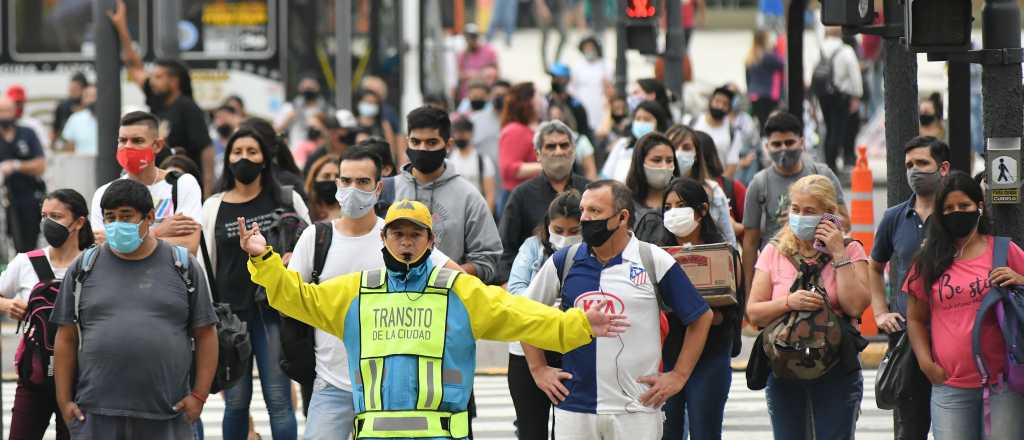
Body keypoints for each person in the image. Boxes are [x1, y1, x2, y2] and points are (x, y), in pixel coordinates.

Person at [241, 197, 629, 439]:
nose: (406, 241)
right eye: (397, 234)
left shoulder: (456, 290)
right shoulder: (357, 291)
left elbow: (517, 312)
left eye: (415, 234)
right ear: (384, 238)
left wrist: (576, 325)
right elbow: (297, 299)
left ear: (431, 241)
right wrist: (263, 259)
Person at [288, 148, 460, 439]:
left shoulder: (395, 236)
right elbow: (289, 298)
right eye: (345, 181)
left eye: (363, 182)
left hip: (390, 391)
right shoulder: (315, 238)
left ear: (379, 187)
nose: (353, 189)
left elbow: (457, 280)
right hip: (333, 384)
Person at [523, 179, 713, 439]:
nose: (585, 219)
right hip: (574, 408)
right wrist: (538, 369)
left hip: (638, 409)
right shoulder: (564, 261)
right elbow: (525, 314)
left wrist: (678, 375)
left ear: (622, 217)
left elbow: (701, 317)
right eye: (583, 210)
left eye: (595, 212)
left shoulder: (653, 259)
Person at [53, 179, 218, 439]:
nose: (117, 224)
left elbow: (206, 334)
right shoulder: (84, 267)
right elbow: (65, 337)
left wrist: (198, 396)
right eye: (110, 217)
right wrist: (64, 402)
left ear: (149, 217)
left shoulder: (183, 266)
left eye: (126, 216)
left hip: (168, 414)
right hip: (96, 415)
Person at [201, 128, 310, 440]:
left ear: (265, 159)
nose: (244, 158)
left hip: (273, 312)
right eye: (237, 152)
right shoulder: (214, 206)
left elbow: (310, 244)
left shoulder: (288, 199)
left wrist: (293, 259)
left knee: (278, 399)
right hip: (229, 316)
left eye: (252, 151)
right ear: (228, 158)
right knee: (235, 402)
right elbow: (205, 261)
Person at [746, 174, 870, 440]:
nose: (800, 216)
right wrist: (788, 302)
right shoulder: (775, 250)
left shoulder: (850, 250)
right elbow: (754, 312)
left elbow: (856, 306)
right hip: (784, 366)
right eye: (795, 209)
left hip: (836, 366)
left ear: (828, 214)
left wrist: (838, 254)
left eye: (810, 211)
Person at [904, 171, 1024, 440]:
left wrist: (1019, 279)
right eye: (948, 208)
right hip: (950, 385)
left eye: (964, 206)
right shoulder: (927, 260)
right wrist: (926, 363)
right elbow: (915, 318)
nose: (956, 212)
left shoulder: (1003, 250)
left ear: (979, 207)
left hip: (1004, 383)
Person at [869, 136, 950, 440]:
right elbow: (875, 266)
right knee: (910, 429)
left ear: (942, 168)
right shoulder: (894, 217)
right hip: (907, 340)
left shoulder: (956, 215)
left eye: (922, 164)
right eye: (909, 165)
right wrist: (880, 312)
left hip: (952, 337)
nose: (914, 171)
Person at [654, 177, 743, 440]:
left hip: (711, 354)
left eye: (680, 205)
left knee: (705, 429)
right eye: (667, 207)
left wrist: (709, 314)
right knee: (667, 431)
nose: (673, 213)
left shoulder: (724, 253)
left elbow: (730, 308)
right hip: (668, 353)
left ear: (702, 210)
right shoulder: (657, 255)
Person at [1, 189, 93, 440]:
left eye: (56, 216)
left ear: (79, 222)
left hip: (81, 381)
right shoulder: (26, 262)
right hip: (34, 377)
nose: (47, 223)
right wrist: (8, 304)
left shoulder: (94, 264)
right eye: (44, 216)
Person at [388, 106, 503, 284]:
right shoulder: (389, 190)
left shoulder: (469, 197)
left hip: (448, 303)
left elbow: (487, 260)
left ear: (448, 145)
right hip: (392, 303)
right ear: (407, 142)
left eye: (432, 142)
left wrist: (443, 277)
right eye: (416, 142)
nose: (422, 149)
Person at [109, 1, 216, 192]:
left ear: (174, 81)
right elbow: (134, 66)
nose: (153, 80)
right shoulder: (157, 99)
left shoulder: (188, 107)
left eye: (159, 77)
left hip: (185, 185)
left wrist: (207, 190)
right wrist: (121, 26)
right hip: (160, 183)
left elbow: (206, 149)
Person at [506, 191, 582, 440]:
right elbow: (518, 296)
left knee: (570, 430)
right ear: (547, 225)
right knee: (531, 430)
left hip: (572, 350)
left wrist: (547, 306)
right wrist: (556, 308)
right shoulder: (532, 248)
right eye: (558, 230)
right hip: (527, 351)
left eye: (574, 231)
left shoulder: (591, 253)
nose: (565, 238)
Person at [742, 112, 846, 291]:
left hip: (822, 267)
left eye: (789, 142)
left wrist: (816, 220)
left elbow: (845, 220)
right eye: (776, 144)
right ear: (767, 146)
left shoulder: (822, 175)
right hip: (777, 271)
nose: (783, 149)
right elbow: (750, 243)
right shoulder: (759, 184)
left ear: (802, 142)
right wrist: (748, 291)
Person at [90, 111, 202, 255]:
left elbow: (189, 247)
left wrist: (122, 241)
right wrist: (158, 232)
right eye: (122, 140)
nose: (127, 147)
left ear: (157, 145)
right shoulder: (104, 193)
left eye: (137, 141)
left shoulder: (182, 184)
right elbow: (102, 250)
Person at [498, 120, 590, 283]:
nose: (558, 151)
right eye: (550, 146)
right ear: (538, 154)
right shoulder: (521, 196)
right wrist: (510, 287)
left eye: (564, 145)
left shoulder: (590, 192)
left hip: (586, 281)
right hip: (533, 287)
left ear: (574, 151)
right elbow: (506, 249)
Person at [0, 96, 46, 253]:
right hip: (3, 198)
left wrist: (17, 165)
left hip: (28, 197)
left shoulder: (27, 133)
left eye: (8, 111)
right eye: (1, 111)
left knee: (28, 244)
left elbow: (40, 165)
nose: (5, 115)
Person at [817, 26, 863, 173]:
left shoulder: (820, 49)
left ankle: (828, 162)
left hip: (823, 94)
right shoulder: (846, 50)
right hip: (840, 95)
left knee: (829, 128)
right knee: (838, 129)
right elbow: (854, 74)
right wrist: (857, 95)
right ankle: (833, 165)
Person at [624, 132, 682, 241]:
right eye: (657, 160)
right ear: (640, 163)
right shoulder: (625, 203)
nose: (664, 166)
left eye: (669, 160)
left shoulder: (684, 200)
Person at [601, 100, 671, 183]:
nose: (641, 123)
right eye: (638, 119)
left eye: (647, 119)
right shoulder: (623, 144)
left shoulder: (665, 149)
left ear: (658, 123)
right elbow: (606, 178)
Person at [241, 117, 309, 202]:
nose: (242, 156)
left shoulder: (288, 184)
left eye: (251, 151)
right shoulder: (229, 183)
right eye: (237, 151)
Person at [694, 131, 746, 238]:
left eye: (687, 149)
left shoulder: (732, 188)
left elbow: (751, 230)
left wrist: (735, 227)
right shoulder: (674, 189)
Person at [498, 83, 542, 198]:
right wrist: (547, 166)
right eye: (538, 96)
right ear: (528, 101)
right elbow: (508, 169)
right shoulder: (514, 131)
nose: (542, 101)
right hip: (517, 197)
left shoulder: (527, 129)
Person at [689, 86, 743, 177]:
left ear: (729, 108)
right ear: (711, 101)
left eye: (725, 104)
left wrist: (718, 186)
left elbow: (732, 165)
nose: (720, 106)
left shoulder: (733, 132)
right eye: (717, 101)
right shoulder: (693, 122)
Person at [273, 74, 334, 150]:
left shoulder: (326, 109)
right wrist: (288, 119)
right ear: (300, 88)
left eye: (311, 87)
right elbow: (275, 131)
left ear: (318, 87)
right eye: (305, 87)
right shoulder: (289, 107)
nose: (308, 90)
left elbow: (335, 135)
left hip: (319, 153)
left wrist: (320, 126)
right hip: (295, 152)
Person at [449, 117, 497, 212]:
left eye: (462, 133)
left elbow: (490, 195)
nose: (459, 137)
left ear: (471, 134)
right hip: (453, 211)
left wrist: (486, 218)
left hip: (477, 210)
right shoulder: (448, 160)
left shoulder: (483, 161)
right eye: (457, 133)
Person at [545, 101, 598, 180]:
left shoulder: (581, 142)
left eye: (559, 118)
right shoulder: (544, 143)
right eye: (553, 119)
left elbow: (591, 173)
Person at [745, 30, 786, 132]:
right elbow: (783, 64)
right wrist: (777, 48)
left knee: (761, 122)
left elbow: (747, 78)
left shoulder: (750, 56)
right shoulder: (768, 56)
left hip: (754, 94)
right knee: (769, 123)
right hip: (768, 94)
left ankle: (762, 142)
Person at [571, 35, 612, 133]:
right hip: (583, 105)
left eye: (591, 47)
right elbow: (572, 87)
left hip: (600, 105)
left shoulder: (606, 65)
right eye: (586, 48)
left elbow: (610, 87)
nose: (589, 50)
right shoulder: (577, 66)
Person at [302, 110, 360, 177]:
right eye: (345, 130)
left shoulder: (357, 155)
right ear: (331, 133)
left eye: (352, 132)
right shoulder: (317, 157)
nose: (351, 136)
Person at [457, 80, 502, 166]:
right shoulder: (462, 117)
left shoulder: (494, 116)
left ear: (488, 97)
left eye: (481, 96)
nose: (477, 99)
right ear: (468, 96)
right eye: (474, 96)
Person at [547, 63, 592, 142]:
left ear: (567, 79)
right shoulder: (546, 101)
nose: (555, 80)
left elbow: (584, 132)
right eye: (553, 77)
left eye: (559, 78)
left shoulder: (576, 105)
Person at [457, 24, 500, 101]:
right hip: (467, 96)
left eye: (473, 37)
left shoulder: (489, 51)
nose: (471, 40)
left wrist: (476, 74)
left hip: (486, 95)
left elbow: (495, 72)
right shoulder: (462, 55)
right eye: (468, 37)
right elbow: (459, 75)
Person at [59, 84, 97, 155]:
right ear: (83, 100)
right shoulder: (74, 119)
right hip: (81, 163)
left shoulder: (114, 118)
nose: (92, 100)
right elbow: (69, 146)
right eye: (87, 96)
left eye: (94, 96)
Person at [304, 154, 340, 223]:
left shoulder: (352, 212)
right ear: (314, 180)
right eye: (326, 176)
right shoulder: (306, 210)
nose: (332, 180)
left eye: (337, 176)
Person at [210, 104, 242, 181]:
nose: (221, 121)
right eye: (218, 118)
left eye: (225, 117)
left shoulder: (241, 143)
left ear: (235, 118)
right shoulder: (210, 145)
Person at [52, 72, 88, 140]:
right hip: (66, 141)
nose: (73, 90)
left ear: (84, 89)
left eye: (76, 88)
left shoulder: (90, 107)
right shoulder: (62, 106)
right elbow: (55, 129)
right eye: (71, 87)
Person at [536, 0, 568, 72]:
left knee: (564, 36)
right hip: (544, 8)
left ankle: (556, 61)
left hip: (557, 9)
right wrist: (543, 8)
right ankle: (545, 65)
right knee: (545, 38)